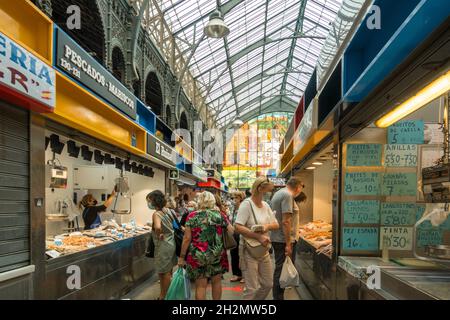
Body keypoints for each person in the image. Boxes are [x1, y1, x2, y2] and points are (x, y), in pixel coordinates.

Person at [178, 191, 233, 300]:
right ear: (213, 201)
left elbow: (187, 238)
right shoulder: (219, 215)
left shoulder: (192, 216)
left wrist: (181, 257)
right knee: (216, 282)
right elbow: (231, 231)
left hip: (198, 255)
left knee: (201, 285)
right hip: (217, 254)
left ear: (199, 201)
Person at [235, 177, 279, 300]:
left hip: (263, 251)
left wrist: (266, 226)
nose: (268, 194)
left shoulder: (265, 205)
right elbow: (237, 226)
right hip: (248, 250)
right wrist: (258, 236)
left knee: (268, 284)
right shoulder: (247, 204)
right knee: (251, 288)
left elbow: (276, 224)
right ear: (260, 189)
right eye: (267, 191)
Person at [270, 176, 304, 300]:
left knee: (280, 268)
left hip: (278, 238)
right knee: (281, 270)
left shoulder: (279, 193)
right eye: (301, 187)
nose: (301, 190)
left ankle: (278, 296)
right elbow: (286, 221)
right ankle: (278, 298)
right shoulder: (287, 195)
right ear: (298, 186)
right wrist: (288, 243)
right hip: (282, 239)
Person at [147, 190, 177, 300]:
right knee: (168, 271)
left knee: (163, 272)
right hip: (171, 243)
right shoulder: (169, 211)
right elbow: (175, 225)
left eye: (149, 201)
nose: (148, 203)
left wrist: (159, 234)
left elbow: (158, 227)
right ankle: (167, 295)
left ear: (154, 201)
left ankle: (163, 296)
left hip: (162, 245)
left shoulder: (156, 214)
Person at [229, 191, 246, 283]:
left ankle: (244, 275)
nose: (233, 200)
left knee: (242, 254)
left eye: (235, 198)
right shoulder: (233, 209)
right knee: (234, 254)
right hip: (234, 234)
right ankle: (236, 274)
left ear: (240, 198)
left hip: (242, 233)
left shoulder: (244, 208)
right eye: (232, 198)